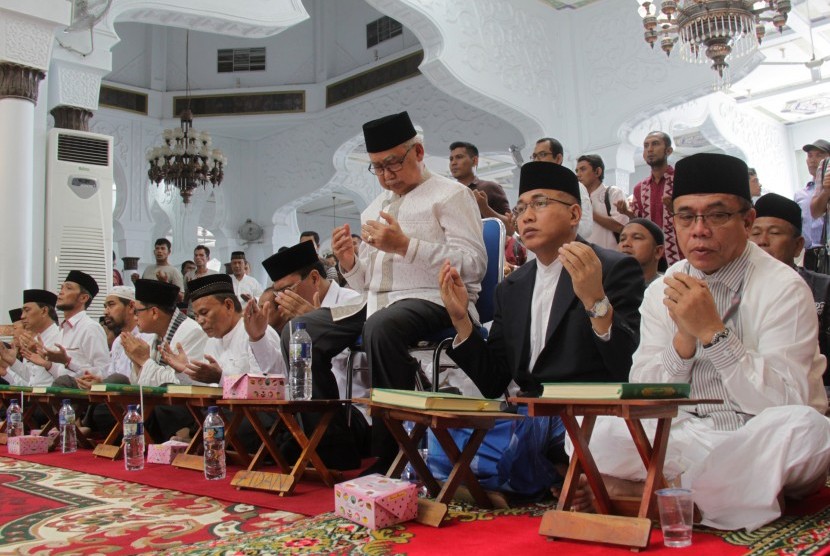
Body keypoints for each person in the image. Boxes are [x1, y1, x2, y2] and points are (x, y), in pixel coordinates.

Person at [589, 153, 830, 532]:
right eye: (686, 216)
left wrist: (713, 334)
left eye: (716, 216)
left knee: (805, 429)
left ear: (747, 221)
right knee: (598, 428)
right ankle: (716, 497)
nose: (699, 230)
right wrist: (683, 341)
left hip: (754, 437)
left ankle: (649, 494)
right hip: (687, 435)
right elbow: (643, 393)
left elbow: (785, 401)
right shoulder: (661, 292)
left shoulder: (783, 287)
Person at [285, 111, 487, 472]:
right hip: (377, 302)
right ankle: (333, 450)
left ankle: (392, 455)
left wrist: (406, 245)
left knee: (380, 326)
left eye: (393, 163)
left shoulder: (451, 195)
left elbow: (474, 264)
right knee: (300, 331)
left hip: (437, 299)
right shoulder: (374, 209)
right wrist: (350, 264)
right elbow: (368, 284)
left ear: (419, 152)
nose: (385, 174)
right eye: (377, 167)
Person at [438, 161, 644, 497]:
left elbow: (625, 364)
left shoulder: (613, 268)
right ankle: (550, 475)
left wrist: (595, 299)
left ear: (574, 214)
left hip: (585, 414)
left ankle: (524, 475)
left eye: (540, 203)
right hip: (529, 412)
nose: (526, 216)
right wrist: (462, 320)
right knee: (440, 432)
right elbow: (494, 380)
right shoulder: (512, 286)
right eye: (521, 208)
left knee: (518, 444)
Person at [750, 192, 830, 387]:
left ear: (798, 246)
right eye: (755, 233)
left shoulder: (824, 288)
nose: (763, 241)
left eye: (775, 233)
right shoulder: (735, 290)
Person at [23, 271, 110, 387]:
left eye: (68, 288)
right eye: (61, 287)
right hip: (62, 395)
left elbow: (104, 373)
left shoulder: (90, 328)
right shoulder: (63, 330)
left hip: (84, 399)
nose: (61, 292)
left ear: (83, 298)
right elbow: (60, 375)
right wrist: (47, 363)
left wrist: (68, 362)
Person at [122, 279, 207, 386]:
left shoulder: (192, 333)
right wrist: (136, 359)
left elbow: (177, 384)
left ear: (154, 312)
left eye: (137, 311)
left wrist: (144, 360)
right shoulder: (156, 334)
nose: (134, 318)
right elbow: (141, 384)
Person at [616, 131, 683, 265]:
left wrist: (675, 210)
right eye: (646, 146)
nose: (650, 149)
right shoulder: (639, 188)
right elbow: (641, 222)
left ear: (668, 151)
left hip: (680, 255)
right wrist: (627, 213)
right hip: (651, 258)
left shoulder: (682, 180)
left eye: (655, 144)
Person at [531, 137, 593, 239]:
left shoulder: (575, 187)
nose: (536, 160)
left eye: (542, 155)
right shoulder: (531, 191)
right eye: (534, 156)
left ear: (558, 159)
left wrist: (550, 230)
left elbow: (586, 228)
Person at [449, 141, 514, 235]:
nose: (453, 163)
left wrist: (484, 208)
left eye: (459, 157)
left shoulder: (489, 187)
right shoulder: (447, 193)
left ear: (474, 160)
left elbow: (510, 228)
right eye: (451, 159)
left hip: (482, 248)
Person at [0, 290, 59, 386]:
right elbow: (32, 380)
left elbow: (68, 377)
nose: (22, 316)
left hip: (55, 399)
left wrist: (46, 361)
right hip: (33, 398)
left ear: (44, 311)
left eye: (27, 310)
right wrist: (12, 362)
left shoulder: (60, 336)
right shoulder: (34, 341)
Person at [575, 154, 628, 249]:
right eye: (577, 171)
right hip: (585, 256)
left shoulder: (613, 192)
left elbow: (621, 227)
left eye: (583, 169)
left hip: (611, 257)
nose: (578, 174)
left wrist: (589, 211)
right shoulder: (577, 198)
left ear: (597, 172)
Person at [618, 218, 667, 285]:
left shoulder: (668, 288)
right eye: (622, 239)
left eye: (637, 238)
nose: (626, 244)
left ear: (658, 251)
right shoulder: (606, 287)